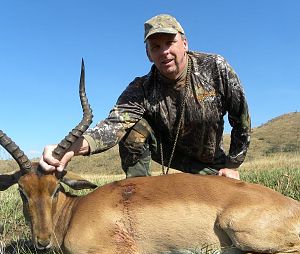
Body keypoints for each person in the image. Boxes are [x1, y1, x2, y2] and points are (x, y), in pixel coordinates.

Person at [40, 14, 251, 180]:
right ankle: (139, 194)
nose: (164, 52)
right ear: (149, 54)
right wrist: (68, 149)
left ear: (184, 43)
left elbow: (241, 120)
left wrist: (232, 166)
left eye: (169, 42)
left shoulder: (215, 67)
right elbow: (112, 127)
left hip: (210, 163)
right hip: (171, 156)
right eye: (156, 47)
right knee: (133, 128)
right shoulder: (141, 87)